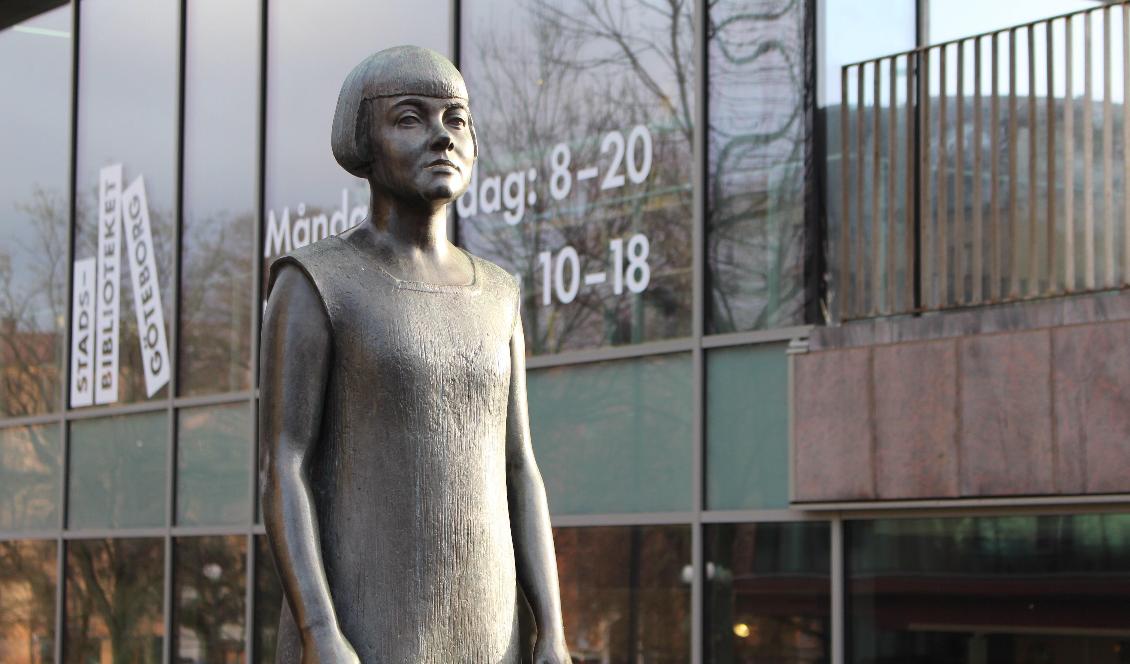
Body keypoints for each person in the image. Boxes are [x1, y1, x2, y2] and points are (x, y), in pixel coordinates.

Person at [259, 45, 570, 664]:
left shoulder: (499, 294)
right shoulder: (316, 282)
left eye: (456, 119)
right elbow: (284, 465)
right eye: (410, 118)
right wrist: (318, 630)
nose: (442, 137)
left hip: (489, 630)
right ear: (363, 140)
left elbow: (519, 469)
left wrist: (552, 632)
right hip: (364, 631)